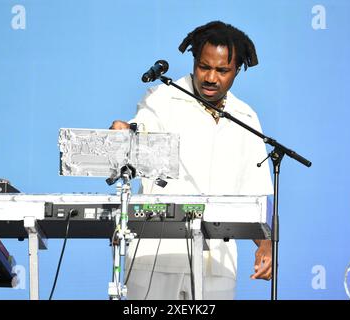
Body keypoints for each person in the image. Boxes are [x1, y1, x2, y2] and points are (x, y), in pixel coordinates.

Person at [110, 20, 273, 300]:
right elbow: (139, 131)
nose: (211, 77)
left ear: (237, 71)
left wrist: (266, 243)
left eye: (222, 70)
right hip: (156, 255)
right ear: (194, 61)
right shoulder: (163, 98)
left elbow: (257, 191)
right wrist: (124, 132)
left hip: (219, 263)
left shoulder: (246, 118)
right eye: (203, 66)